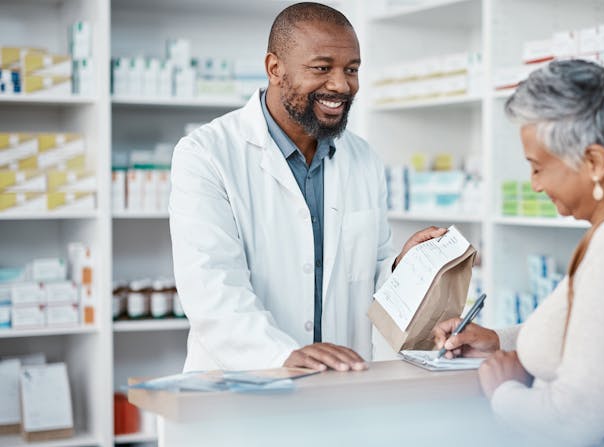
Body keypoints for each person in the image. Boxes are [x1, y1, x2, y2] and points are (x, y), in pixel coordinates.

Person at [169, 2, 444, 373]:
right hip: (244, 389)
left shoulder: (363, 159)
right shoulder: (206, 154)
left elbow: (369, 279)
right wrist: (279, 355)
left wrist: (401, 268)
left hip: (339, 385)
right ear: (274, 68)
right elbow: (211, 288)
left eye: (352, 70)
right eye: (322, 68)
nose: (341, 85)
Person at [433, 60, 604, 446]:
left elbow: (574, 419)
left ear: (595, 162)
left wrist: (503, 392)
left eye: (538, 168)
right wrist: (497, 341)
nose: (534, 185)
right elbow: (595, 336)